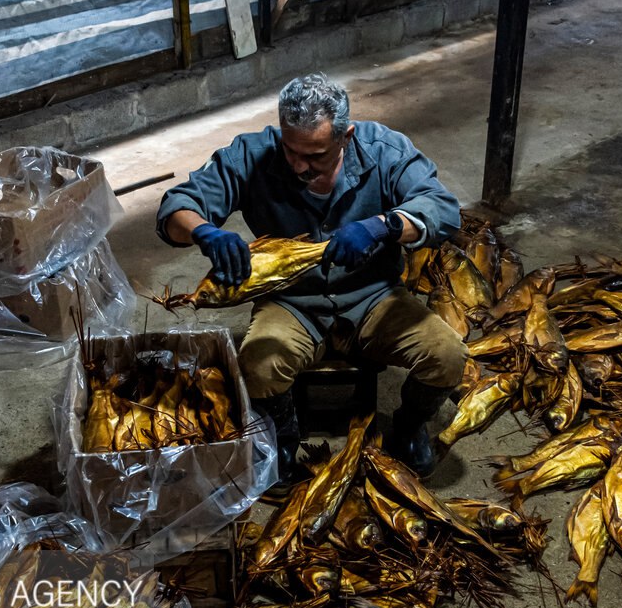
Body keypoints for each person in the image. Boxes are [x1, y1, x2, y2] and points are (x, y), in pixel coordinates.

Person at [156, 73, 468, 480]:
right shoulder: (253, 155)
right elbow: (176, 206)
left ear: (346, 136)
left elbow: (443, 210)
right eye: (292, 151)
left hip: (373, 296)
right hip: (293, 301)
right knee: (259, 367)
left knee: (447, 356)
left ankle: (409, 429)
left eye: (316, 156)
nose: (300, 166)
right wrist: (204, 231)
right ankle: (284, 439)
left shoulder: (384, 150)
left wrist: (384, 225)